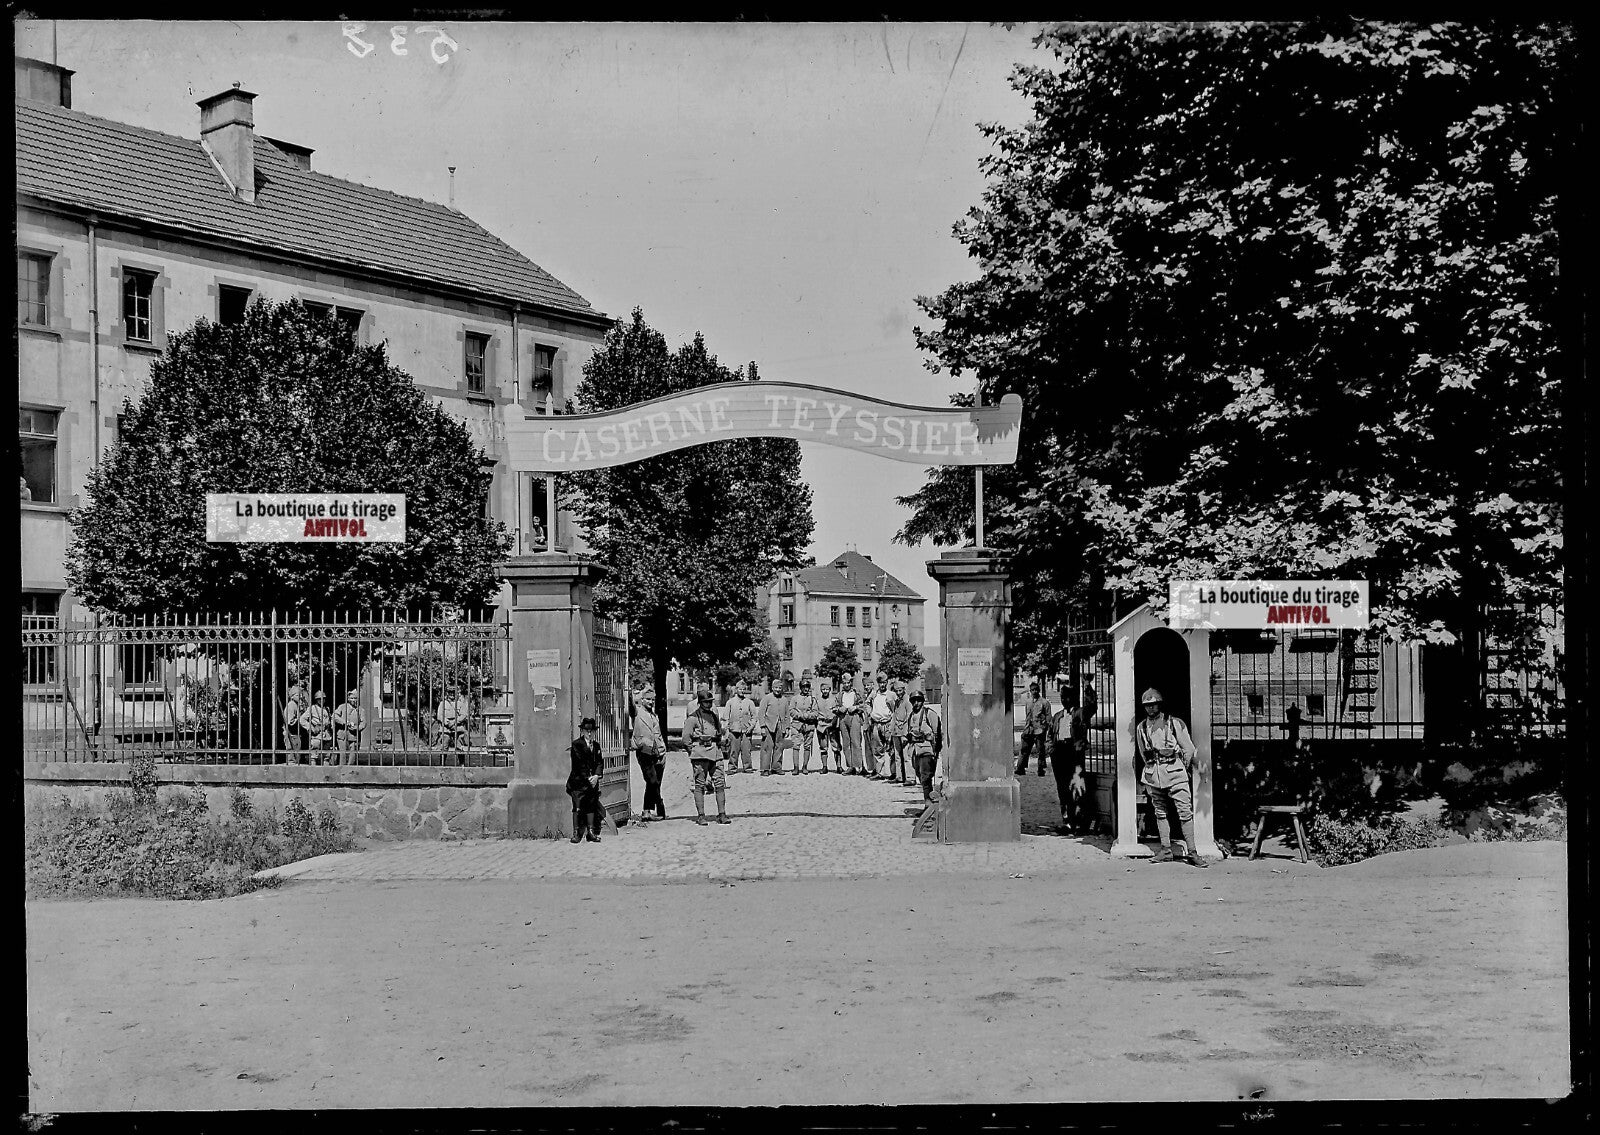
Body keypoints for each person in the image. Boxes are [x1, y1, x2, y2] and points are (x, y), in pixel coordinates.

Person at [1134, 687, 1206, 868]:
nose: (1150, 709)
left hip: (1175, 772)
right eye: (1147, 706)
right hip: (1153, 774)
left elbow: (1188, 749)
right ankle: (1165, 849)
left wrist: (1183, 767)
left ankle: (1192, 852)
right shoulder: (1141, 727)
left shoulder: (1174, 723)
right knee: (1160, 812)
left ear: (1159, 704)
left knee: (1185, 812)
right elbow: (1143, 753)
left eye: (1153, 705)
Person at [684, 685, 730, 825]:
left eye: (710, 701)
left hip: (715, 752)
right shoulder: (693, 718)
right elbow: (686, 738)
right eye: (706, 702)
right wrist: (694, 751)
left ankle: (722, 814)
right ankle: (701, 815)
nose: (708, 704)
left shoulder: (714, 717)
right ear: (700, 702)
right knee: (700, 784)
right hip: (700, 753)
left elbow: (719, 733)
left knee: (720, 783)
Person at [1051, 683, 1089, 832]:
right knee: (1062, 788)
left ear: (1073, 698)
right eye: (1062, 697)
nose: (1064, 700)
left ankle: (1078, 822)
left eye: (1067, 697)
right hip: (1059, 753)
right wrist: (1051, 750)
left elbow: (1092, 706)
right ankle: (1066, 821)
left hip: (1073, 753)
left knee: (1077, 786)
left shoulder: (1080, 713)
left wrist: (1087, 685)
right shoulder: (1058, 716)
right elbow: (1051, 735)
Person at [566, 716, 605, 843]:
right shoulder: (577, 745)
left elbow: (599, 762)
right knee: (577, 807)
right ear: (582, 731)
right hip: (578, 782)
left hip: (592, 783)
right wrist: (589, 778)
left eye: (592, 731)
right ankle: (576, 833)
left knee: (591, 806)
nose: (589, 733)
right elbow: (579, 764)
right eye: (587, 730)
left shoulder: (597, 746)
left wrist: (596, 776)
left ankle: (591, 832)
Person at [632, 689, 667, 820]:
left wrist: (662, 752)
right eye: (648, 699)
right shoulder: (636, 712)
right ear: (642, 700)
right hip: (644, 751)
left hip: (657, 752)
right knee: (652, 781)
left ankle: (646, 811)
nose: (651, 702)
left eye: (652, 700)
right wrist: (628, 689)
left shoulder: (654, 715)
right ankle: (659, 803)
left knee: (654, 782)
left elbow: (658, 735)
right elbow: (630, 704)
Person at [905, 688, 943, 803]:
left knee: (926, 778)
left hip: (927, 750)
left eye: (919, 700)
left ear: (922, 701)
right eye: (914, 701)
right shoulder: (911, 715)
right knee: (921, 777)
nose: (916, 703)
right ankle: (928, 802)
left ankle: (928, 805)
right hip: (915, 751)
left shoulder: (929, 714)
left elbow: (937, 734)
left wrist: (936, 751)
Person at [758, 675, 792, 777]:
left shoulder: (784, 700)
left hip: (780, 727)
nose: (778, 690)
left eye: (779, 688)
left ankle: (776, 767)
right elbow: (761, 713)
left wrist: (787, 727)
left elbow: (787, 715)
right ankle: (765, 768)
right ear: (772, 688)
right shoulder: (766, 698)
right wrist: (763, 726)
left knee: (779, 747)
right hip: (769, 726)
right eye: (776, 688)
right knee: (767, 747)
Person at [1017, 681, 1050, 776]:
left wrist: (1044, 728)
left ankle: (1040, 769)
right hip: (1029, 730)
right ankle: (1020, 768)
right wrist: (1026, 728)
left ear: (1039, 690)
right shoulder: (1028, 702)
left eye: (1036, 690)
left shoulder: (1044, 702)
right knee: (1024, 749)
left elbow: (1048, 717)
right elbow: (1027, 716)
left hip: (1039, 730)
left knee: (1041, 751)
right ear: (1030, 691)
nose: (1034, 692)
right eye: (1032, 690)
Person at [725, 680, 759, 774]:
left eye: (744, 689)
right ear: (736, 690)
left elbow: (754, 716)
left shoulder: (749, 702)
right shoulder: (730, 702)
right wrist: (727, 730)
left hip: (746, 731)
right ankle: (732, 768)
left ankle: (747, 767)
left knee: (746, 751)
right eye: (740, 689)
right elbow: (725, 718)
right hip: (734, 730)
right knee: (733, 750)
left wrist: (751, 727)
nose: (742, 691)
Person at [866, 673, 896, 779]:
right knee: (878, 749)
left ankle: (894, 773)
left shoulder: (891, 694)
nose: (882, 685)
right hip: (876, 724)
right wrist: (870, 714)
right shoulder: (874, 694)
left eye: (884, 682)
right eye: (880, 683)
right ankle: (879, 772)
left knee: (891, 749)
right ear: (877, 683)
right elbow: (867, 703)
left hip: (887, 723)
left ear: (887, 682)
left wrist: (892, 718)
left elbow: (896, 708)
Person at [791, 676, 821, 774]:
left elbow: (816, 712)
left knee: (807, 746)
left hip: (809, 725)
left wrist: (808, 715)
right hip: (797, 725)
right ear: (800, 688)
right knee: (796, 745)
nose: (805, 689)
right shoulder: (795, 698)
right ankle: (795, 767)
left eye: (807, 687)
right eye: (803, 687)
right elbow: (791, 710)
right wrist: (799, 715)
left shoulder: (812, 699)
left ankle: (805, 766)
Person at [888, 678, 914, 784]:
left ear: (904, 689)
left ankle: (910, 778)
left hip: (904, 732)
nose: (898, 693)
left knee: (906, 755)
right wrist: (891, 731)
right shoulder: (897, 701)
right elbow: (894, 716)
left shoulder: (908, 701)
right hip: (896, 731)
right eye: (896, 691)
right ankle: (900, 776)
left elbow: (909, 717)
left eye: (900, 690)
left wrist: (905, 733)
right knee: (897, 755)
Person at [332, 688, 367, 765]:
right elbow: (335, 716)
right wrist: (344, 722)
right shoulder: (342, 707)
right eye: (351, 698)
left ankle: (350, 768)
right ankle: (341, 768)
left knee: (353, 753)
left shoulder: (360, 710)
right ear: (348, 699)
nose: (353, 700)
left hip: (354, 735)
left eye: (355, 698)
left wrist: (357, 728)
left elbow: (364, 722)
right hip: (342, 734)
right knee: (342, 752)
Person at [838, 674, 864, 774]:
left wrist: (856, 707)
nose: (846, 685)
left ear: (851, 683)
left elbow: (863, 705)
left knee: (856, 742)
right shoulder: (840, 694)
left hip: (854, 717)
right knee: (846, 743)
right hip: (843, 718)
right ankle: (850, 766)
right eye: (844, 683)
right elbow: (834, 706)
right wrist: (839, 709)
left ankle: (859, 767)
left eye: (848, 683)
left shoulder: (856, 693)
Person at [435, 684, 470, 759]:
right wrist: (447, 722)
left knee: (459, 748)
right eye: (450, 692)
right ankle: (442, 765)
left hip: (458, 728)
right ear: (447, 693)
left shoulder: (460, 704)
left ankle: (462, 765)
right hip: (445, 729)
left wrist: (454, 722)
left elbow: (464, 715)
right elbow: (439, 715)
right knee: (444, 747)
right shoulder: (443, 704)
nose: (451, 694)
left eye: (453, 692)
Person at [816, 678, 842, 772]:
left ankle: (839, 766)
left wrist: (834, 720)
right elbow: (815, 712)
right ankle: (824, 766)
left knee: (836, 746)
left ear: (830, 690)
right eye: (823, 689)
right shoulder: (817, 700)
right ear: (821, 690)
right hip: (821, 725)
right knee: (823, 747)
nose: (825, 691)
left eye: (827, 689)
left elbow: (837, 710)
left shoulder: (834, 699)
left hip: (832, 725)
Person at [304, 690, 333, 763]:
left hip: (326, 734)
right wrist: (311, 728)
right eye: (319, 699)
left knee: (326, 754)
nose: (322, 700)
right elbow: (302, 719)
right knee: (314, 754)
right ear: (316, 699)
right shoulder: (312, 708)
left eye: (323, 698)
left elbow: (330, 719)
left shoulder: (327, 709)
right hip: (317, 734)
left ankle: (326, 767)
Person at [281, 682, 307, 762]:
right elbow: (290, 722)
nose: (300, 697)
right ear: (292, 697)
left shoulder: (297, 705)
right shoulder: (291, 705)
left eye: (300, 695)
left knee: (297, 756)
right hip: (291, 734)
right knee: (292, 757)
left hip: (296, 734)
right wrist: (300, 719)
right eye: (297, 695)